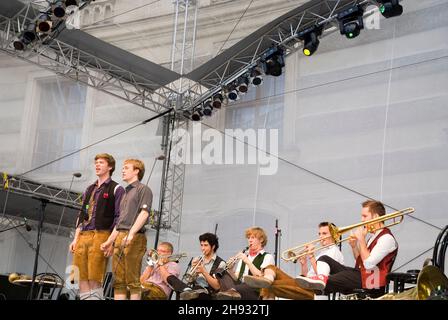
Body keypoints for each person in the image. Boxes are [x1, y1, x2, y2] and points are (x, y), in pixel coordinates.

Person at [296, 200, 398, 297]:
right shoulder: (374, 236)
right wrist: (354, 246)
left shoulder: (386, 238)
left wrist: (361, 240)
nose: (362, 219)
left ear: (376, 217)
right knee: (324, 258)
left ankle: (316, 284)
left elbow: (368, 264)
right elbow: (360, 260)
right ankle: (320, 279)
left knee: (333, 279)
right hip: (361, 275)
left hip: (372, 282)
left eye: (365, 216)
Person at [69, 153, 125, 300]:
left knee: (95, 278)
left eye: (101, 162)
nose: (97, 165)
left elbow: (119, 218)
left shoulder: (117, 189)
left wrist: (111, 242)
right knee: (80, 278)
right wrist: (75, 239)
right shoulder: (90, 189)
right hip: (83, 235)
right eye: (96, 163)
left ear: (110, 167)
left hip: (101, 235)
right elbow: (82, 214)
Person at [243, 222, 343, 300]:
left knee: (269, 287)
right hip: (307, 284)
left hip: (316, 291)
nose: (320, 236)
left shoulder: (333, 252)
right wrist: (303, 264)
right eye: (319, 234)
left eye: (324, 233)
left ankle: (265, 282)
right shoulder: (322, 251)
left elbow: (321, 278)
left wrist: (312, 257)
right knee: (271, 270)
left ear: (333, 234)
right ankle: (266, 279)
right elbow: (307, 275)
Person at [100, 158, 153, 300]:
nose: (122, 170)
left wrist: (131, 233)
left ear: (137, 171)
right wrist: (110, 241)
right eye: (123, 167)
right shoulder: (124, 193)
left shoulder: (143, 189)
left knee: (132, 280)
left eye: (127, 167)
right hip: (120, 237)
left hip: (134, 237)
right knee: (118, 281)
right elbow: (120, 221)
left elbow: (144, 213)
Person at [216, 226, 275, 300]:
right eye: (249, 238)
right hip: (240, 287)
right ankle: (232, 292)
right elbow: (237, 278)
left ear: (261, 240)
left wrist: (247, 261)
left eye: (253, 237)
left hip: (255, 291)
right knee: (220, 271)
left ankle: (231, 291)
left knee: (242, 284)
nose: (250, 240)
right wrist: (230, 270)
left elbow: (262, 278)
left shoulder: (267, 257)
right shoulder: (245, 256)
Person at [166, 233, 225, 300]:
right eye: (201, 245)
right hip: (193, 288)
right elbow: (190, 280)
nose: (203, 248)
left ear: (213, 246)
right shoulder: (197, 259)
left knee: (193, 292)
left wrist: (204, 272)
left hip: (207, 293)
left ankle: (187, 291)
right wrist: (194, 272)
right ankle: (186, 290)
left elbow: (217, 287)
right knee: (172, 279)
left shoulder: (221, 263)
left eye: (206, 245)